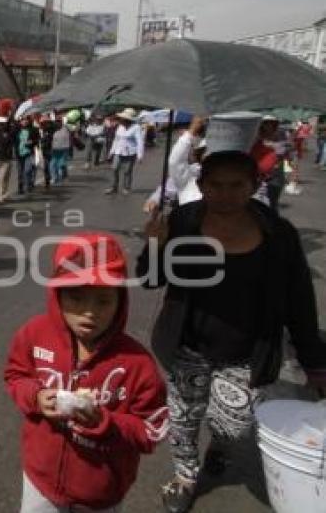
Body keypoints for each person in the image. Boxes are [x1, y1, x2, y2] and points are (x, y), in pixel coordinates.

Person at [137, 151, 326, 513]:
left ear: (254, 185)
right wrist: (155, 245)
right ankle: (186, 476)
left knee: (235, 425)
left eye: (236, 185)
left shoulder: (277, 233)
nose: (225, 194)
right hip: (187, 345)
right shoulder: (183, 220)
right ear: (202, 186)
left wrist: (314, 362)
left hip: (246, 350)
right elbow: (151, 278)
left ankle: (219, 447)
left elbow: (299, 299)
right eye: (215, 185)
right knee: (183, 417)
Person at [5, 232, 169, 513]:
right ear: (57, 295)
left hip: (101, 493)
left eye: (103, 301)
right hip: (40, 479)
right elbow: (16, 375)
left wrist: (105, 422)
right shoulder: (34, 334)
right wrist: (36, 396)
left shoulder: (137, 363)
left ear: (120, 301)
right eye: (76, 298)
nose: (89, 313)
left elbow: (151, 429)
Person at [105, 108, 144, 195]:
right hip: (118, 151)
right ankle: (113, 187)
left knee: (127, 171)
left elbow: (140, 142)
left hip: (130, 152)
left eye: (122, 119)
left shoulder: (136, 127)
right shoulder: (120, 127)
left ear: (128, 119)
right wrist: (111, 152)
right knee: (114, 168)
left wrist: (140, 155)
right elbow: (116, 140)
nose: (121, 120)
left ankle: (126, 187)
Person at [14, 116, 40, 195]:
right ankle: (20, 187)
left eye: (26, 120)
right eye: (23, 120)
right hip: (19, 153)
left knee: (27, 170)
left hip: (29, 152)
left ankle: (29, 184)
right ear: (20, 121)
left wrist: (32, 142)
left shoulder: (34, 129)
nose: (24, 121)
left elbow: (38, 139)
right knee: (20, 172)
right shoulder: (17, 130)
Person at [49, 120, 71, 185]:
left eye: (58, 123)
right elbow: (52, 140)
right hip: (55, 150)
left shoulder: (65, 130)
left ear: (61, 124)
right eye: (56, 123)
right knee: (52, 164)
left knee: (60, 165)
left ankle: (60, 179)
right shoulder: (53, 130)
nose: (56, 125)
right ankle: (54, 177)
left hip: (63, 150)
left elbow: (67, 141)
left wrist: (67, 151)